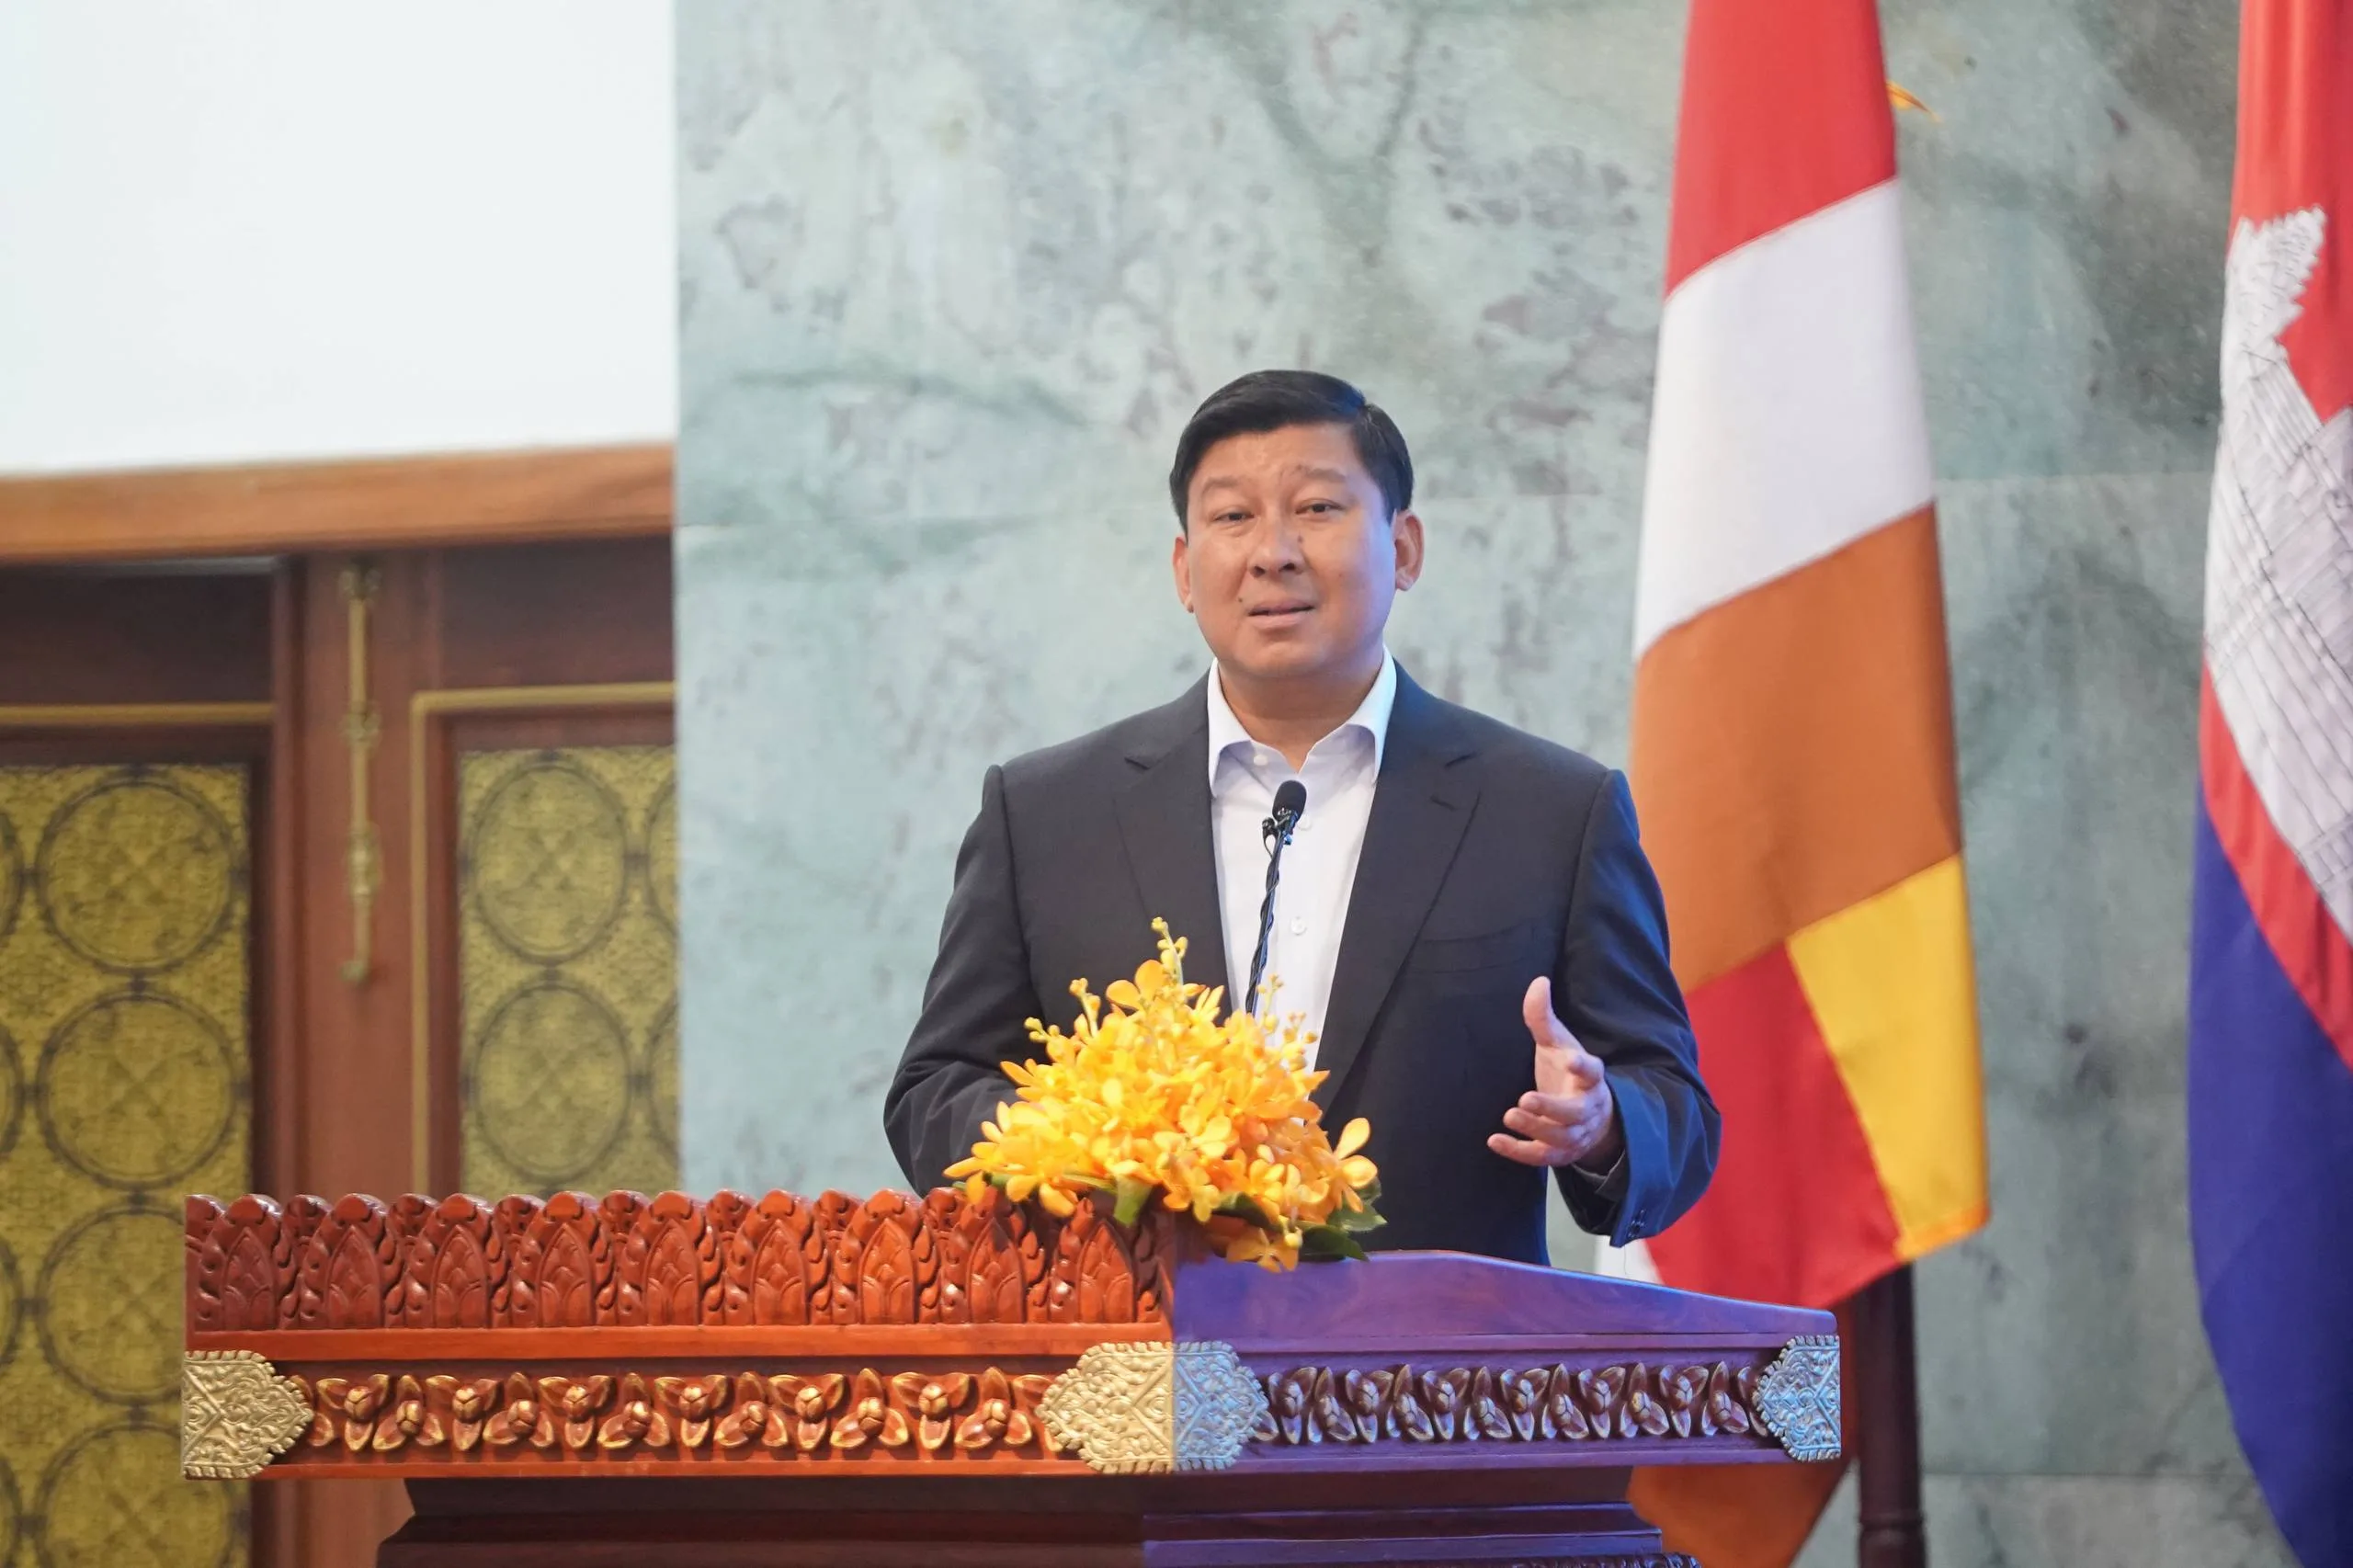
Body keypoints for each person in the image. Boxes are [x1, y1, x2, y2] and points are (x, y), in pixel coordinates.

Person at [883, 369, 1716, 1264]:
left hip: (1439, 1348)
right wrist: (1084, 1143)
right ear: (1184, 570)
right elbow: (937, 1088)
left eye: (1317, 508)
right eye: (1232, 516)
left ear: (1404, 548)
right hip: (1135, 1339)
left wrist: (1600, 1123)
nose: (1271, 552)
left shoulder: (1550, 812)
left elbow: (1675, 1108)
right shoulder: (1048, 813)